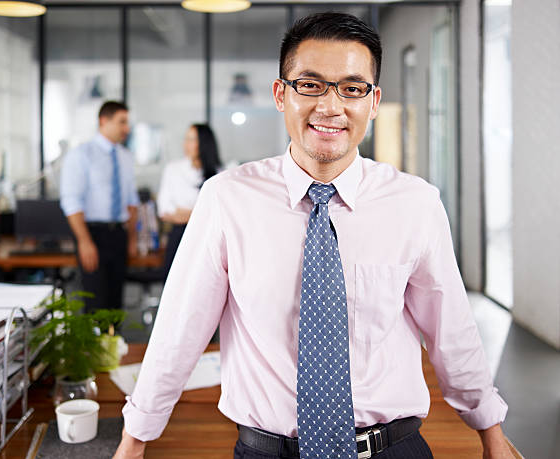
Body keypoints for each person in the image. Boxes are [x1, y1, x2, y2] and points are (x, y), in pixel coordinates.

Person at [114, 13, 513, 459]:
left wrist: (490, 434)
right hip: (268, 451)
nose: (330, 106)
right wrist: (135, 439)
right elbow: (179, 328)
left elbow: (452, 330)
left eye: (352, 87)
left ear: (373, 101)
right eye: (310, 84)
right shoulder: (227, 199)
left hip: (390, 448)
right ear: (281, 95)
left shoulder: (414, 203)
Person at [60, 101, 139, 312]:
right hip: (93, 234)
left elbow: (132, 201)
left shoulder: (125, 156)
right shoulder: (81, 154)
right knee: (96, 303)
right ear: (104, 121)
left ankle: (115, 344)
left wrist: (131, 237)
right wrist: (84, 241)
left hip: (118, 235)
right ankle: (95, 345)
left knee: (115, 303)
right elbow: (71, 201)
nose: (127, 129)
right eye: (122, 122)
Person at [156, 124, 222, 278]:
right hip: (179, 236)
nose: (186, 144)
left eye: (192, 140)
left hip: (207, 238)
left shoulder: (220, 172)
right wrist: (201, 214)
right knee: (174, 282)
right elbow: (164, 209)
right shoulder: (173, 169)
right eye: (186, 139)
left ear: (204, 143)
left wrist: (183, 213)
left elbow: (220, 211)